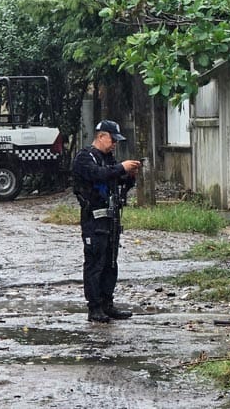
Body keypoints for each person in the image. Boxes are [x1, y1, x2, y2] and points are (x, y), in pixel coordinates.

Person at [72, 120, 141, 323]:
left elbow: (116, 179)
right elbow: (98, 174)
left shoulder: (108, 159)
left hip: (111, 220)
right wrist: (121, 167)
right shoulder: (85, 157)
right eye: (112, 140)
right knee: (95, 263)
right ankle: (94, 307)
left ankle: (107, 304)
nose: (114, 145)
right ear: (101, 136)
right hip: (93, 220)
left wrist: (129, 175)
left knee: (111, 263)